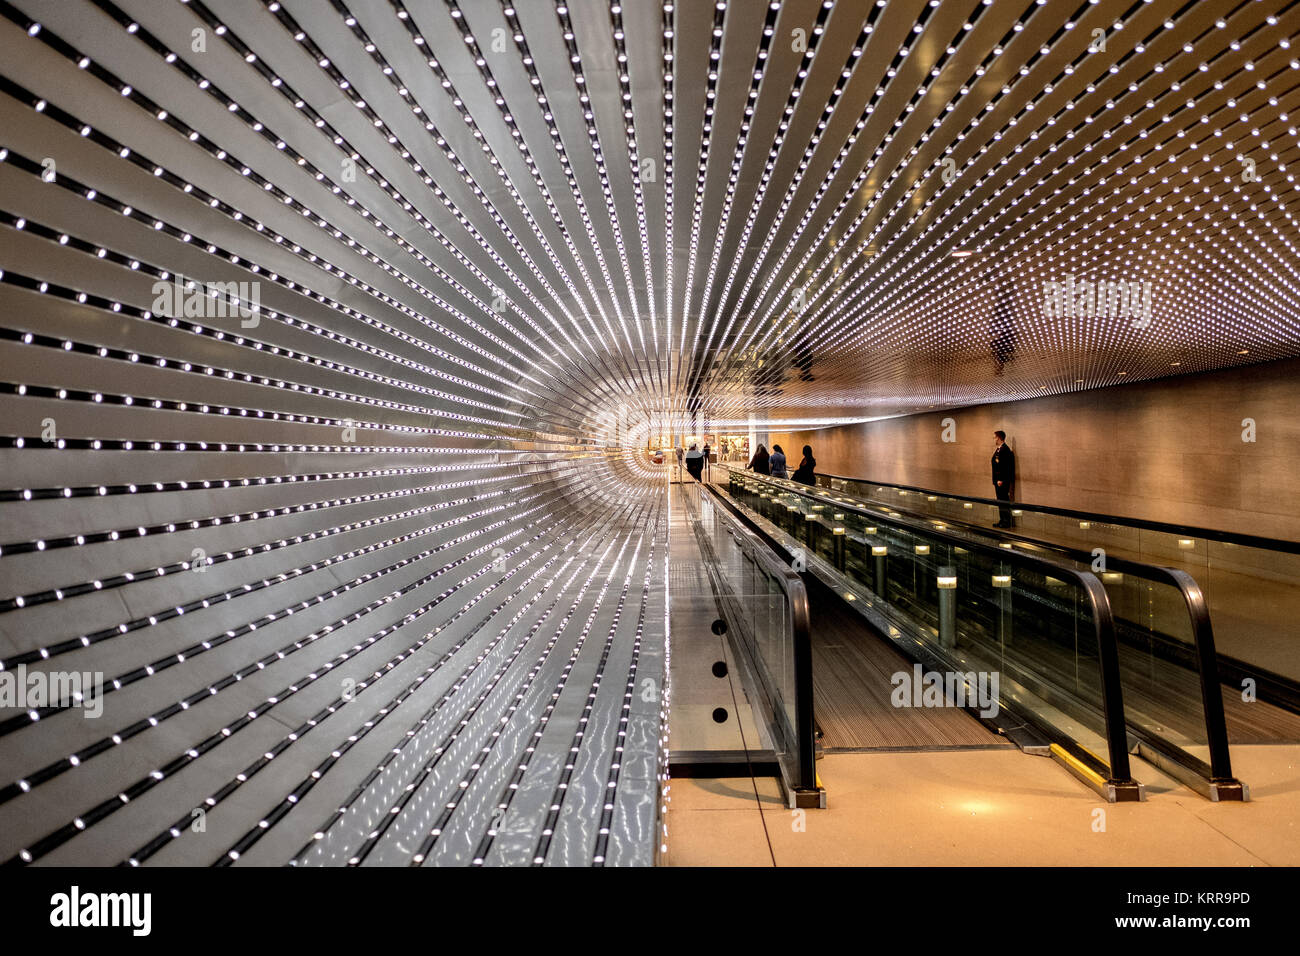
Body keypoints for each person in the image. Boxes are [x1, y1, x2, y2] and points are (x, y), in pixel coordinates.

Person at [991, 430, 1015, 528]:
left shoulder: (1005, 450)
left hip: (1002, 481)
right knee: (1000, 501)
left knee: (1003, 501)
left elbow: (1006, 467)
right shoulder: (999, 449)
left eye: (995, 437)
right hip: (997, 481)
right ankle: (1002, 519)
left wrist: (1001, 479)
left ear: (999, 438)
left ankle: (1006, 521)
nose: (994, 439)